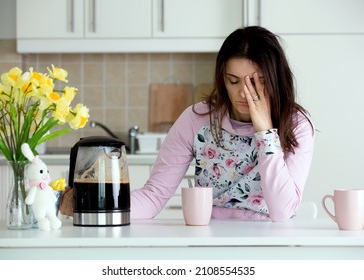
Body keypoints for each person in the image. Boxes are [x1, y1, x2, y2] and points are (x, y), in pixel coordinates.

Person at [130, 26, 315, 222]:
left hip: (271, 239)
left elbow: (282, 212)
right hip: (210, 237)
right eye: (234, 81)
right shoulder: (196, 119)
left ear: (274, 78)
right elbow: (153, 196)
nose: (244, 93)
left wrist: (266, 132)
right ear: (222, 80)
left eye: (257, 81)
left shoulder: (296, 125)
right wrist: (102, 208)